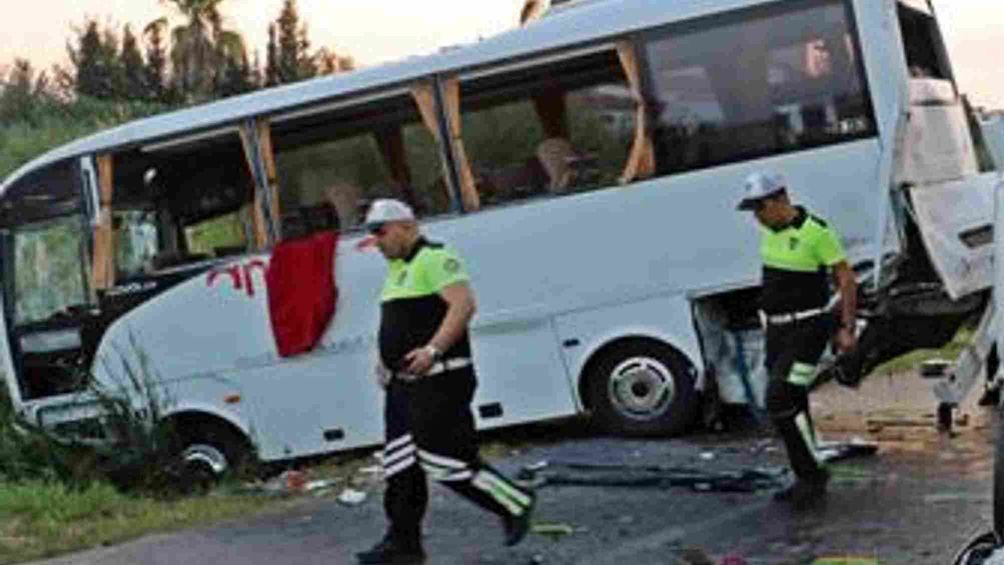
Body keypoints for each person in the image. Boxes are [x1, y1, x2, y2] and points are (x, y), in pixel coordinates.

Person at [356, 199, 536, 564]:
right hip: (403, 385)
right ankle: (403, 545)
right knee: (400, 466)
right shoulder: (397, 269)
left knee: (443, 459)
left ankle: (514, 502)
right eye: (373, 236)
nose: (378, 242)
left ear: (406, 225)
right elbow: (398, 322)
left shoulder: (434, 258)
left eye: (382, 232)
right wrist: (384, 361)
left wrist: (433, 351)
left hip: (439, 379)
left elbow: (464, 305)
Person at [736, 172, 858, 508]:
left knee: (779, 396)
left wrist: (846, 327)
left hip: (809, 330)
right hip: (777, 332)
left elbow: (846, 280)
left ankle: (812, 474)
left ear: (779, 200)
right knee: (792, 402)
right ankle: (807, 471)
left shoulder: (815, 232)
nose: (757, 217)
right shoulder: (770, 234)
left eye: (760, 208)